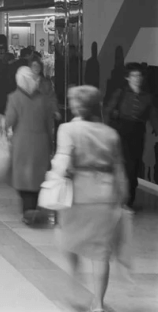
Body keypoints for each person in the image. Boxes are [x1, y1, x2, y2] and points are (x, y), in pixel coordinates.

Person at [51, 86, 128, 312]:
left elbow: (62, 163)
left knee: (69, 242)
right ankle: (98, 304)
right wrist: (122, 197)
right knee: (100, 252)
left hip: (77, 195)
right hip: (105, 195)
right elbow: (119, 168)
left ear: (76, 107)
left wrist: (54, 179)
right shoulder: (110, 133)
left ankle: (74, 287)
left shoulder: (67, 130)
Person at [5, 66, 56, 225]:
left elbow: (9, 121)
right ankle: (33, 208)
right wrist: (51, 142)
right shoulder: (44, 99)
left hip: (22, 143)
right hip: (41, 142)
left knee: (23, 177)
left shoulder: (14, 98)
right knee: (37, 176)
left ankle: (28, 211)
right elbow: (50, 124)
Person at [104, 62, 158, 208]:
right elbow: (108, 111)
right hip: (120, 132)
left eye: (139, 75)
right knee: (120, 165)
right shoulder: (120, 93)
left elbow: (153, 117)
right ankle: (117, 199)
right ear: (127, 77)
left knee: (133, 168)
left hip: (137, 133)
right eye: (134, 75)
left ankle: (128, 202)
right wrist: (106, 132)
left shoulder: (147, 97)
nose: (137, 78)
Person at [0, 52, 17, 116]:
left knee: (1, 110)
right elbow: (11, 82)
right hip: (8, 93)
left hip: (1, 93)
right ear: (10, 59)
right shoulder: (10, 68)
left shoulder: (1, 67)